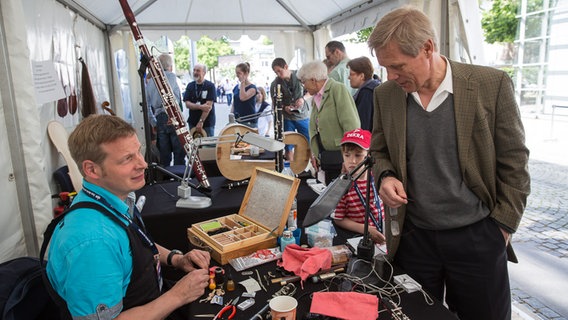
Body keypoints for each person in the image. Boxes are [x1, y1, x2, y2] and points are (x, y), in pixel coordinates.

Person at [368, 6, 530, 320]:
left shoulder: (490, 84)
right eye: (385, 67)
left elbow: (515, 161)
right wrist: (385, 176)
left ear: (427, 48)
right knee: (415, 314)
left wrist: (502, 229)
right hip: (414, 239)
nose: (390, 76)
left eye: (397, 66)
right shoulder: (385, 95)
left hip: (478, 237)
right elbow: (379, 150)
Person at [46, 115, 211, 319]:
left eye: (139, 152)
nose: (142, 164)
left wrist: (175, 259)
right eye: (127, 159)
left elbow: (136, 246)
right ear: (91, 169)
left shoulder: (113, 199)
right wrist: (178, 295)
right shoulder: (93, 242)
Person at [297, 60, 360, 185]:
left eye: (304, 82)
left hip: (340, 158)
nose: (304, 86)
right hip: (326, 158)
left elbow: (352, 126)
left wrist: (349, 158)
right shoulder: (316, 97)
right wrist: (315, 154)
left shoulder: (337, 89)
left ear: (313, 80)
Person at [333, 129, 385, 244]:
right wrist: (366, 229)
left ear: (369, 156)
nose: (352, 161)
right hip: (358, 238)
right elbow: (338, 219)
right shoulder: (342, 186)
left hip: (382, 233)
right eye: (347, 155)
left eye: (358, 155)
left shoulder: (377, 178)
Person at [146, 53, 185, 166]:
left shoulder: (150, 81)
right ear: (169, 65)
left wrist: (153, 122)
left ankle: (166, 180)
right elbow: (172, 98)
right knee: (179, 153)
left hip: (159, 118)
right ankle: (179, 178)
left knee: (164, 154)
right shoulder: (171, 76)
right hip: (172, 116)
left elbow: (147, 106)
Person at [270, 57, 310, 160]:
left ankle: (311, 169)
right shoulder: (275, 84)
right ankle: (291, 172)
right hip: (287, 118)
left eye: (280, 71)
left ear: (286, 67)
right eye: (276, 72)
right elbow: (274, 103)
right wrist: (284, 107)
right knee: (288, 147)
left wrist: (303, 99)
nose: (278, 74)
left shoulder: (301, 76)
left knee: (310, 144)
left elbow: (312, 90)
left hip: (302, 116)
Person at [347, 57, 381, 132]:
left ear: (362, 76)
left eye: (351, 74)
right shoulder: (374, 87)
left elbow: (364, 124)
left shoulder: (367, 93)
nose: (348, 77)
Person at [184, 63, 216, 137]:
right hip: (192, 122)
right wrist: (200, 107)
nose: (195, 72)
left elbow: (208, 107)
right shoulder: (190, 86)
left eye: (198, 71)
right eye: (194, 70)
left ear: (204, 73)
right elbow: (187, 104)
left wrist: (201, 121)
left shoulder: (210, 86)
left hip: (207, 123)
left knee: (208, 147)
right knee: (194, 146)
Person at [231, 62, 258, 128]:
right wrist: (231, 115)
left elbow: (242, 97)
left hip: (249, 122)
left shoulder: (252, 88)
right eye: (236, 73)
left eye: (239, 73)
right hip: (237, 120)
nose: (237, 75)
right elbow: (234, 103)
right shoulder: (236, 87)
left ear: (246, 74)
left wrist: (243, 82)